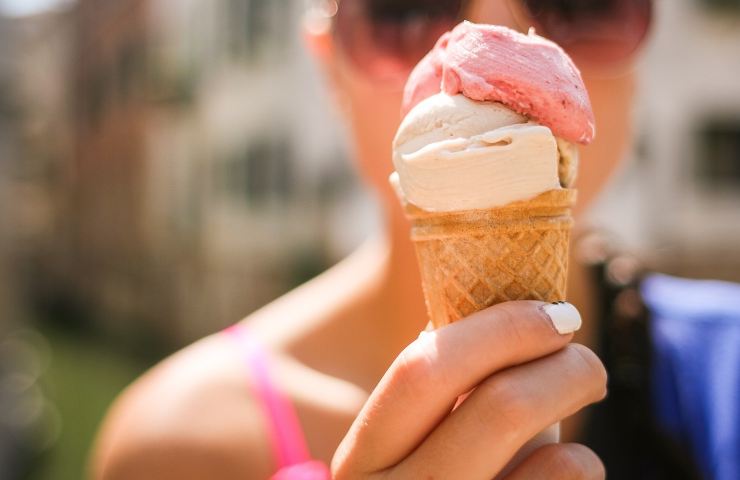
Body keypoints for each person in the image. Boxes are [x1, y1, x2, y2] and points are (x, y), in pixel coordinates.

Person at [90, 1, 660, 479]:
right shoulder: (175, 448)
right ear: (329, 66)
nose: (495, 39)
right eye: (406, 7)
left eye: (580, 1)